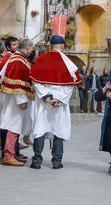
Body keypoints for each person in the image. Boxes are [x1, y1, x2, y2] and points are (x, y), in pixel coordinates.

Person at [29, 35, 81, 169]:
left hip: (44, 101)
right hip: (60, 102)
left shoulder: (41, 59)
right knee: (59, 130)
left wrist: (47, 97)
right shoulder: (67, 61)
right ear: (63, 45)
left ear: (50, 45)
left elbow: (36, 81)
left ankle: (36, 161)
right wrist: (60, 100)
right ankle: (57, 162)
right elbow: (70, 84)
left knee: (40, 129)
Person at [0, 38, 34, 166]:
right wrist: (21, 101)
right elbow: (17, 81)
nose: (32, 50)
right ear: (28, 47)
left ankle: (13, 153)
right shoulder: (18, 60)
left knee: (16, 126)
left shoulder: (19, 58)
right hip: (16, 98)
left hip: (15, 97)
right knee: (13, 125)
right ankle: (8, 155)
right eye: (32, 48)